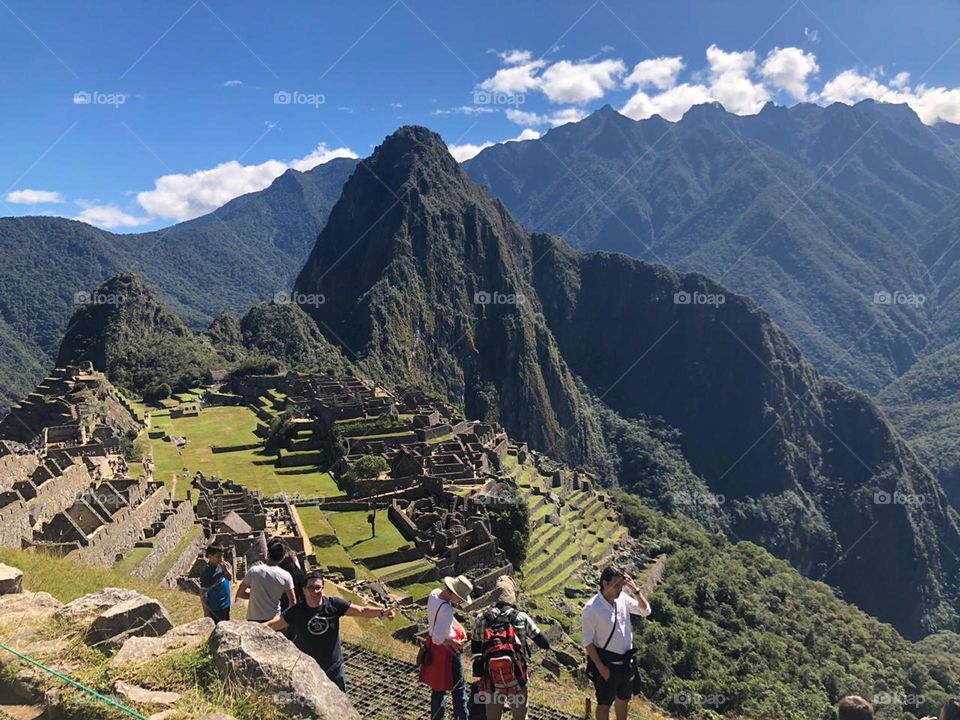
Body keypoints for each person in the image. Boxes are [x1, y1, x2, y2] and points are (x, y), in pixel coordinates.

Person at [265, 570, 395, 691]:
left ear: (323, 588)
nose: (315, 591)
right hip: (309, 670)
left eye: (318, 587)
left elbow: (362, 610)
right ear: (304, 590)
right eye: (311, 588)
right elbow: (275, 624)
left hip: (334, 668)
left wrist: (382, 612)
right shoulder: (296, 611)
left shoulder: (334, 605)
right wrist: (248, 628)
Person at [471, 575, 549, 720]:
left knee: (492, 717)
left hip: (492, 679)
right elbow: (545, 643)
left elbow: (475, 649)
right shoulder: (521, 617)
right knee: (520, 717)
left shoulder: (482, 618)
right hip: (517, 680)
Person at [581, 566, 652, 720]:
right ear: (605, 584)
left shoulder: (623, 599)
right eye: (616, 585)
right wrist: (601, 668)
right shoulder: (592, 608)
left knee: (623, 700)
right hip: (608, 663)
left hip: (626, 662)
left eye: (621, 585)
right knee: (604, 704)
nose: (620, 589)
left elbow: (646, 611)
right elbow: (587, 641)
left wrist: (636, 590)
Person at [422, 575, 474, 720]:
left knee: (438, 689)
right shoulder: (447, 611)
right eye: (460, 598)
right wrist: (454, 643)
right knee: (459, 687)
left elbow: (440, 623)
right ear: (453, 593)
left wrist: (459, 625)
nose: (460, 602)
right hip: (447, 652)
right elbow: (439, 639)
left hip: (433, 648)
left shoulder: (435, 594)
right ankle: (462, 717)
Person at [236, 542, 297, 622]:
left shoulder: (254, 571)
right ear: (282, 558)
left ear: (268, 554)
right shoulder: (286, 576)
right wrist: (283, 617)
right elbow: (293, 603)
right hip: (274, 620)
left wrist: (255, 596)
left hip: (254, 619)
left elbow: (240, 593)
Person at [199, 544, 232, 623]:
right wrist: (206, 612)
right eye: (218, 556)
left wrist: (225, 570)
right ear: (210, 556)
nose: (221, 559)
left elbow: (229, 578)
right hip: (216, 608)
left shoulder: (223, 565)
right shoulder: (207, 573)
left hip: (226, 604)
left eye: (222, 556)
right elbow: (202, 593)